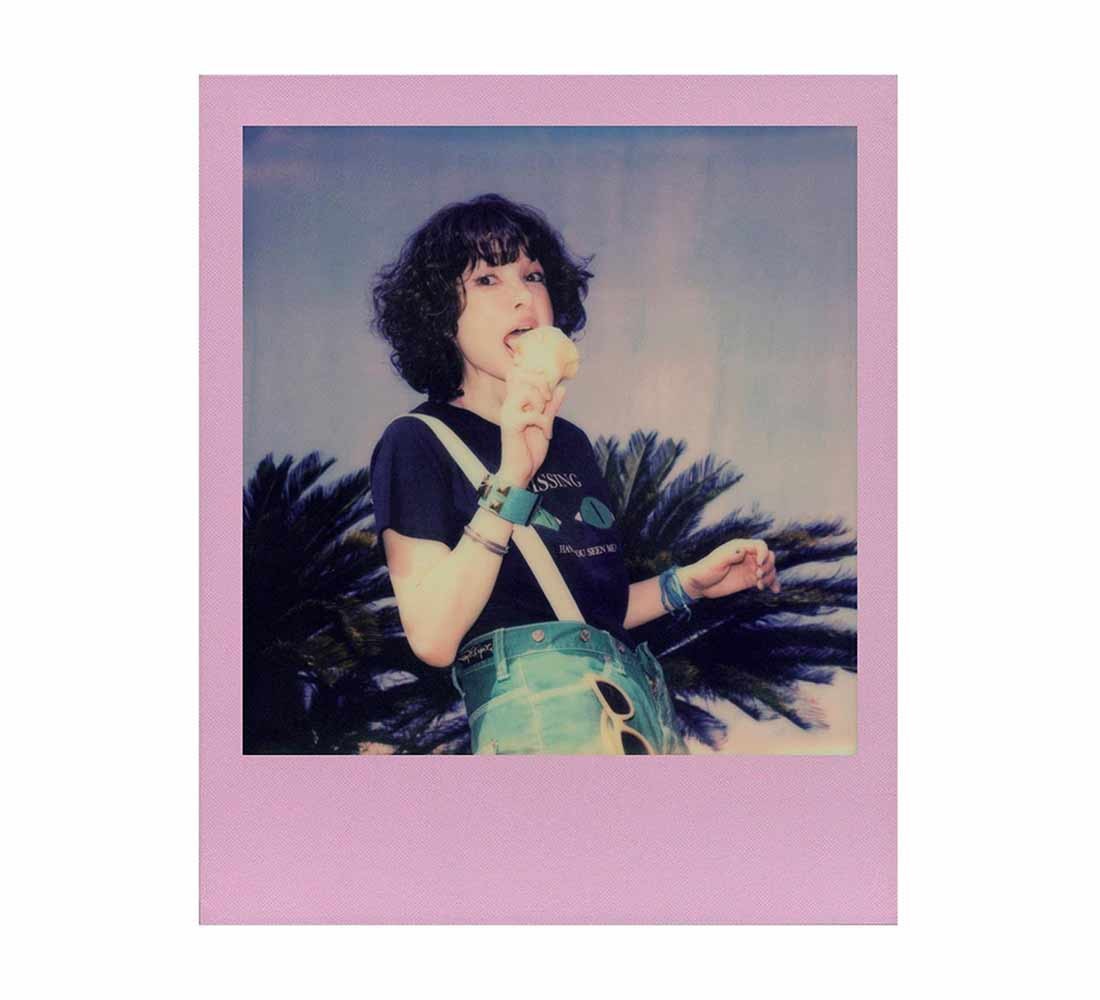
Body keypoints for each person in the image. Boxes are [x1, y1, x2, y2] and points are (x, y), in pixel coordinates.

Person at [369, 193, 779, 755]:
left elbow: (586, 613)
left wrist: (687, 584)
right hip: (536, 727)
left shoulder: (571, 442)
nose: (522, 296)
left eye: (532, 275)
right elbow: (434, 637)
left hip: (629, 716)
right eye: (487, 279)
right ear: (440, 315)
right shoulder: (417, 441)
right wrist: (511, 476)